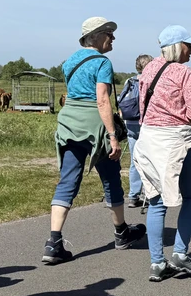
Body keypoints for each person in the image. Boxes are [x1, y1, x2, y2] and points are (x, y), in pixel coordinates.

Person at [44, 17, 145, 266]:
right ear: (97, 36)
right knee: (110, 177)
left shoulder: (69, 61)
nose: (113, 38)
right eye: (109, 33)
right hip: (94, 125)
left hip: (69, 123)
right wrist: (113, 136)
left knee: (68, 179)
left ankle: (53, 241)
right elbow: (102, 100)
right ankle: (121, 232)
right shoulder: (102, 62)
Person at [133, 25, 191, 281]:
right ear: (178, 46)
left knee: (156, 201)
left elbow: (142, 104)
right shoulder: (184, 72)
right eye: (189, 45)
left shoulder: (149, 68)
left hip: (149, 139)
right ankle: (180, 253)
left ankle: (156, 262)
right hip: (176, 140)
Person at [121, 54, 153, 208]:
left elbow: (121, 100)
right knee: (149, 159)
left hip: (130, 123)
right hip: (146, 123)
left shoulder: (130, 81)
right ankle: (149, 193)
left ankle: (133, 195)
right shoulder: (152, 81)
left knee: (135, 160)